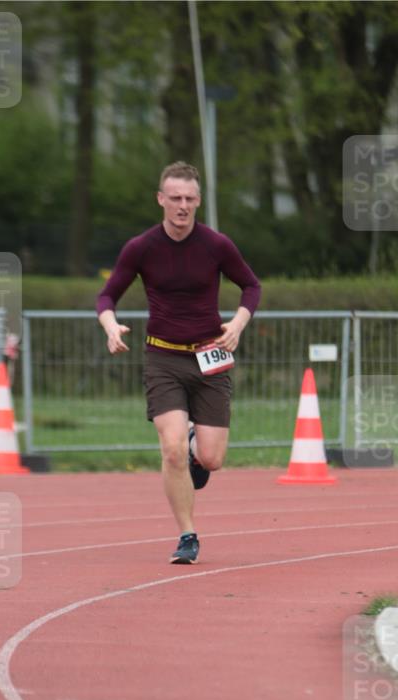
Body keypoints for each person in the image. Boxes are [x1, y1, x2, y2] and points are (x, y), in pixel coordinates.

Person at [97, 161, 261, 565]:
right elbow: (107, 296)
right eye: (175, 199)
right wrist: (110, 326)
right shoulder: (141, 247)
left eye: (189, 199)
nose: (182, 206)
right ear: (161, 200)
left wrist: (238, 323)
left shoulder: (217, 245)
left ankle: (195, 445)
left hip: (211, 356)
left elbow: (251, 286)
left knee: (212, 460)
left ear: (198, 201)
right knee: (170, 450)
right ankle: (187, 534)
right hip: (163, 356)